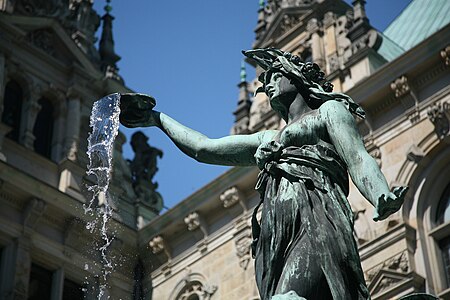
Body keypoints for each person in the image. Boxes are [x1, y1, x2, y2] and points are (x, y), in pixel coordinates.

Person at [119, 48, 407, 300]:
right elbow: (204, 148)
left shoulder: (328, 112)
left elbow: (357, 157)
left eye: (273, 78)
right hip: (276, 232)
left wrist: (380, 193)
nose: (267, 86)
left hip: (317, 217)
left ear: (294, 76)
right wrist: (157, 120)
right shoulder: (269, 136)